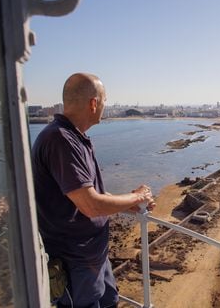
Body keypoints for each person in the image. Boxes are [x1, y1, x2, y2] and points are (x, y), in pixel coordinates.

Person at [31, 73, 155, 308]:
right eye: (105, 100)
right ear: (93, 103)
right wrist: (138, 196)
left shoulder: (75, 138)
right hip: (74, 262)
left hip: (93, 257)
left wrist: (130, 203)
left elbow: (93, 194)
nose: (105, 106)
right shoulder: (61, 140)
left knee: (110, 301)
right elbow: (91, 205)